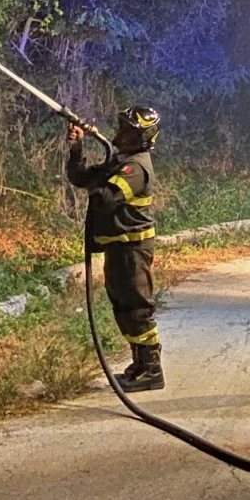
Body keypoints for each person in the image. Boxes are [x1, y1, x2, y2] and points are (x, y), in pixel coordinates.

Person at [67, 106, 164, 392]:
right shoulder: (121, 161)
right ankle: (139, 365)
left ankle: (152, 370)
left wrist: (101, 177)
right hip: (118, 248)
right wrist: (77, 146)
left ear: (142, 138)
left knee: (137, 308)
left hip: (133, 248)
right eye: (120, 127)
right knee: (123, 307)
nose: (119, 133)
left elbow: (107, 198)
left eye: (127, 130)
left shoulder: (136, 167)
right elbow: (82, 178)